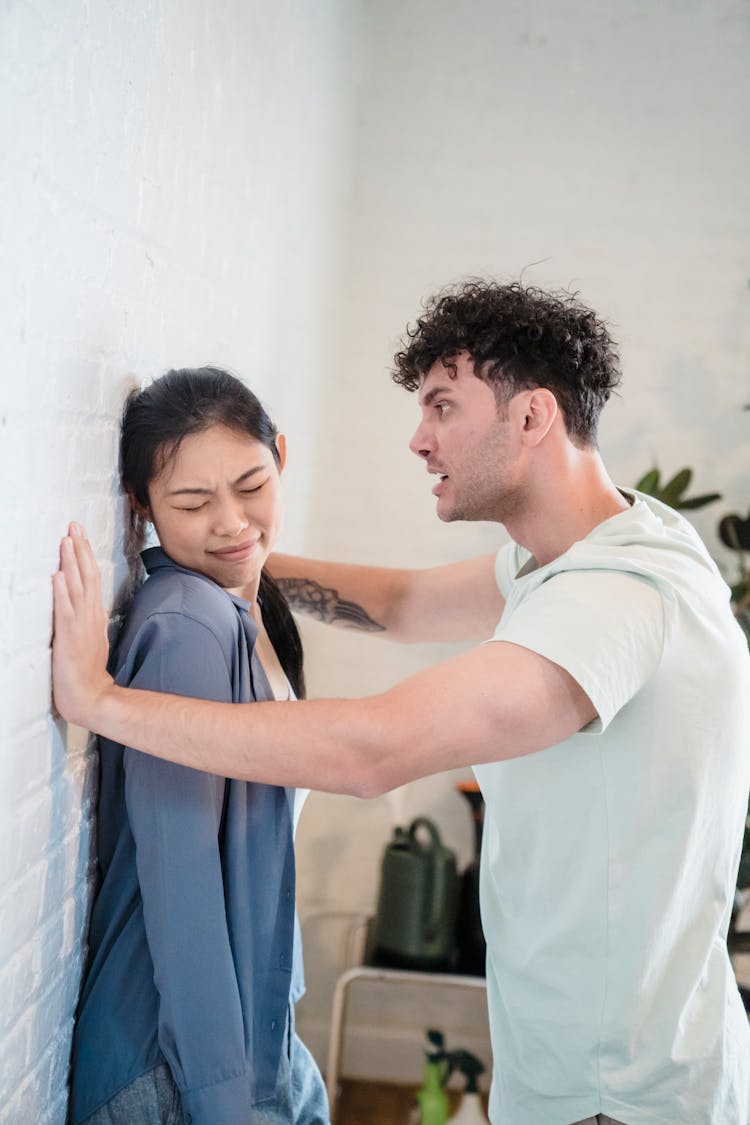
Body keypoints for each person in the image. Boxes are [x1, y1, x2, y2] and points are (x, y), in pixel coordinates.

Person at [53, 283, 750, 1125]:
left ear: (531, 418)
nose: (419, 440)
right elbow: (401, 602)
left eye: (443, 407)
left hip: (622, 1096)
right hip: (579, 1073)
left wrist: (97, 697)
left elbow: (371, 751)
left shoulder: (617, 597)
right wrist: (235, 540)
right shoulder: (594, 549)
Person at [67, 368, 329, 1125]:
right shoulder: (189, 629)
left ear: (281, 454)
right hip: (176, 1067)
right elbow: (182, 893)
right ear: (140, 507)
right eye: (191, 502)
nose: (231, 523)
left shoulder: (250, 604)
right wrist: (224, 1103)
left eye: (251, 484)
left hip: (246, 1036)